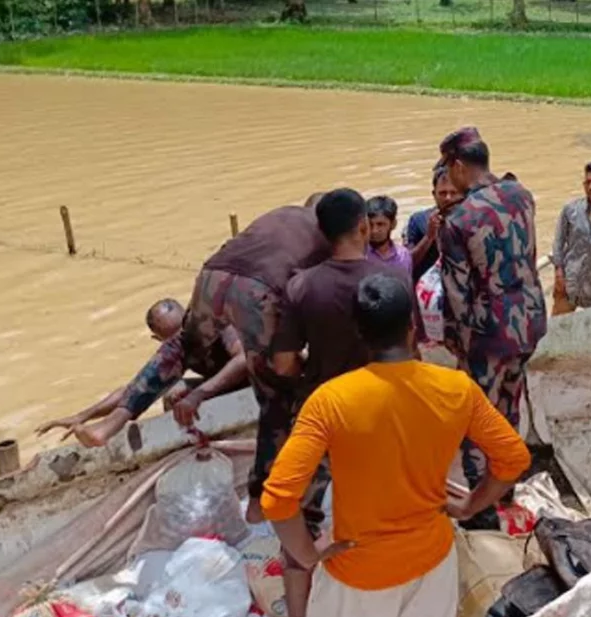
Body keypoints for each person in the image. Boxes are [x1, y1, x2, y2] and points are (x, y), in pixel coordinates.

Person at [261, 273, 531, 617]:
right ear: (412, 327)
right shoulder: (456, 388)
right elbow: (514, 458)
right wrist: (469, 507)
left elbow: (278, 499)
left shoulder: (330, 401)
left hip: (360, 575)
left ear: (359, 334)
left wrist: (309, 555)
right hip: (433, 566)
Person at [69, 199, 332, 524]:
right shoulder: (327, 235)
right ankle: (258, 500)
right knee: (277, 399)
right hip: (258, 291)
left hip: (212, 276)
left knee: (183, 345)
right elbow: (315, 300)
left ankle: (112, 423)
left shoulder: (280, 216)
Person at [269, 189, 396, 617]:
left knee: (301, 516)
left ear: (321, 235)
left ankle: (301, 609)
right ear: (364, 226)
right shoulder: (389, 283)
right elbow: (406, 357)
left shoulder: (301, 285)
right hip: (377, 413)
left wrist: (315, 365)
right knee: (384, 508)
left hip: (320, 414)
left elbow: (284, 363)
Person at [435, 126, 545, 517]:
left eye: (448, 169)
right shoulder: (522, 195)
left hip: (489, 332)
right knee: (509, 409)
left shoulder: (458, 220)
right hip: (530, 322)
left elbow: (457, 295)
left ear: (460, 166)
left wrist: (457, 345)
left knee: (477, 418)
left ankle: (479, 510)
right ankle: (507, 492)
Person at [34, 298, 248, 441]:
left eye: (182, 331)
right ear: (159, 340)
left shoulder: (213, 320)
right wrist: (83, 415)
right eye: (171, 340)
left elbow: (243, 360)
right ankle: (193, 442)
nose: (181, 341)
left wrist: (199, 395)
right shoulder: (177, 351)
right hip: (228, 382)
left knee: (184, 395)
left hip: (261, 377)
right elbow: (136, 389)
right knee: (173, 394)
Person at [551, 161, 591, 316]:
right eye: (587, 182)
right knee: (558, 330)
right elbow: (558, 242)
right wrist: (558, 275)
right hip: (569, 282)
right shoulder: (571, 209)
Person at [405, 167, 462, 282]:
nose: (448, 198)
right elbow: (407, 263)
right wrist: (429, 237)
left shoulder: (472, 220)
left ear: (462, 194)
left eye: (453, 193)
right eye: (442, 193)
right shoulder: (418, 220)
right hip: (426, 289)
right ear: (434, 194)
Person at [365, 195, 412, 275]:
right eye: (370, 224)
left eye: (380, 224)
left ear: (393, 224)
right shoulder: (359, 256)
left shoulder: (403, 256)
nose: (374, 230)